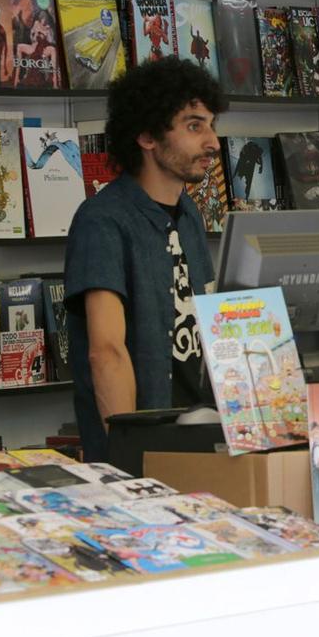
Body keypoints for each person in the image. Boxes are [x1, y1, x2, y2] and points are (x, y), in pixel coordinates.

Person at [64, 58, 225, 462]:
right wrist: (129, 458)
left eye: (211, 124)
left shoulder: (189, 214)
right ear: (147, 136)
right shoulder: (102, 221)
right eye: (194, 125)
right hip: (145, 450)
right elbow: (106, 351)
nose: (213, 142)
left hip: (201, 436)